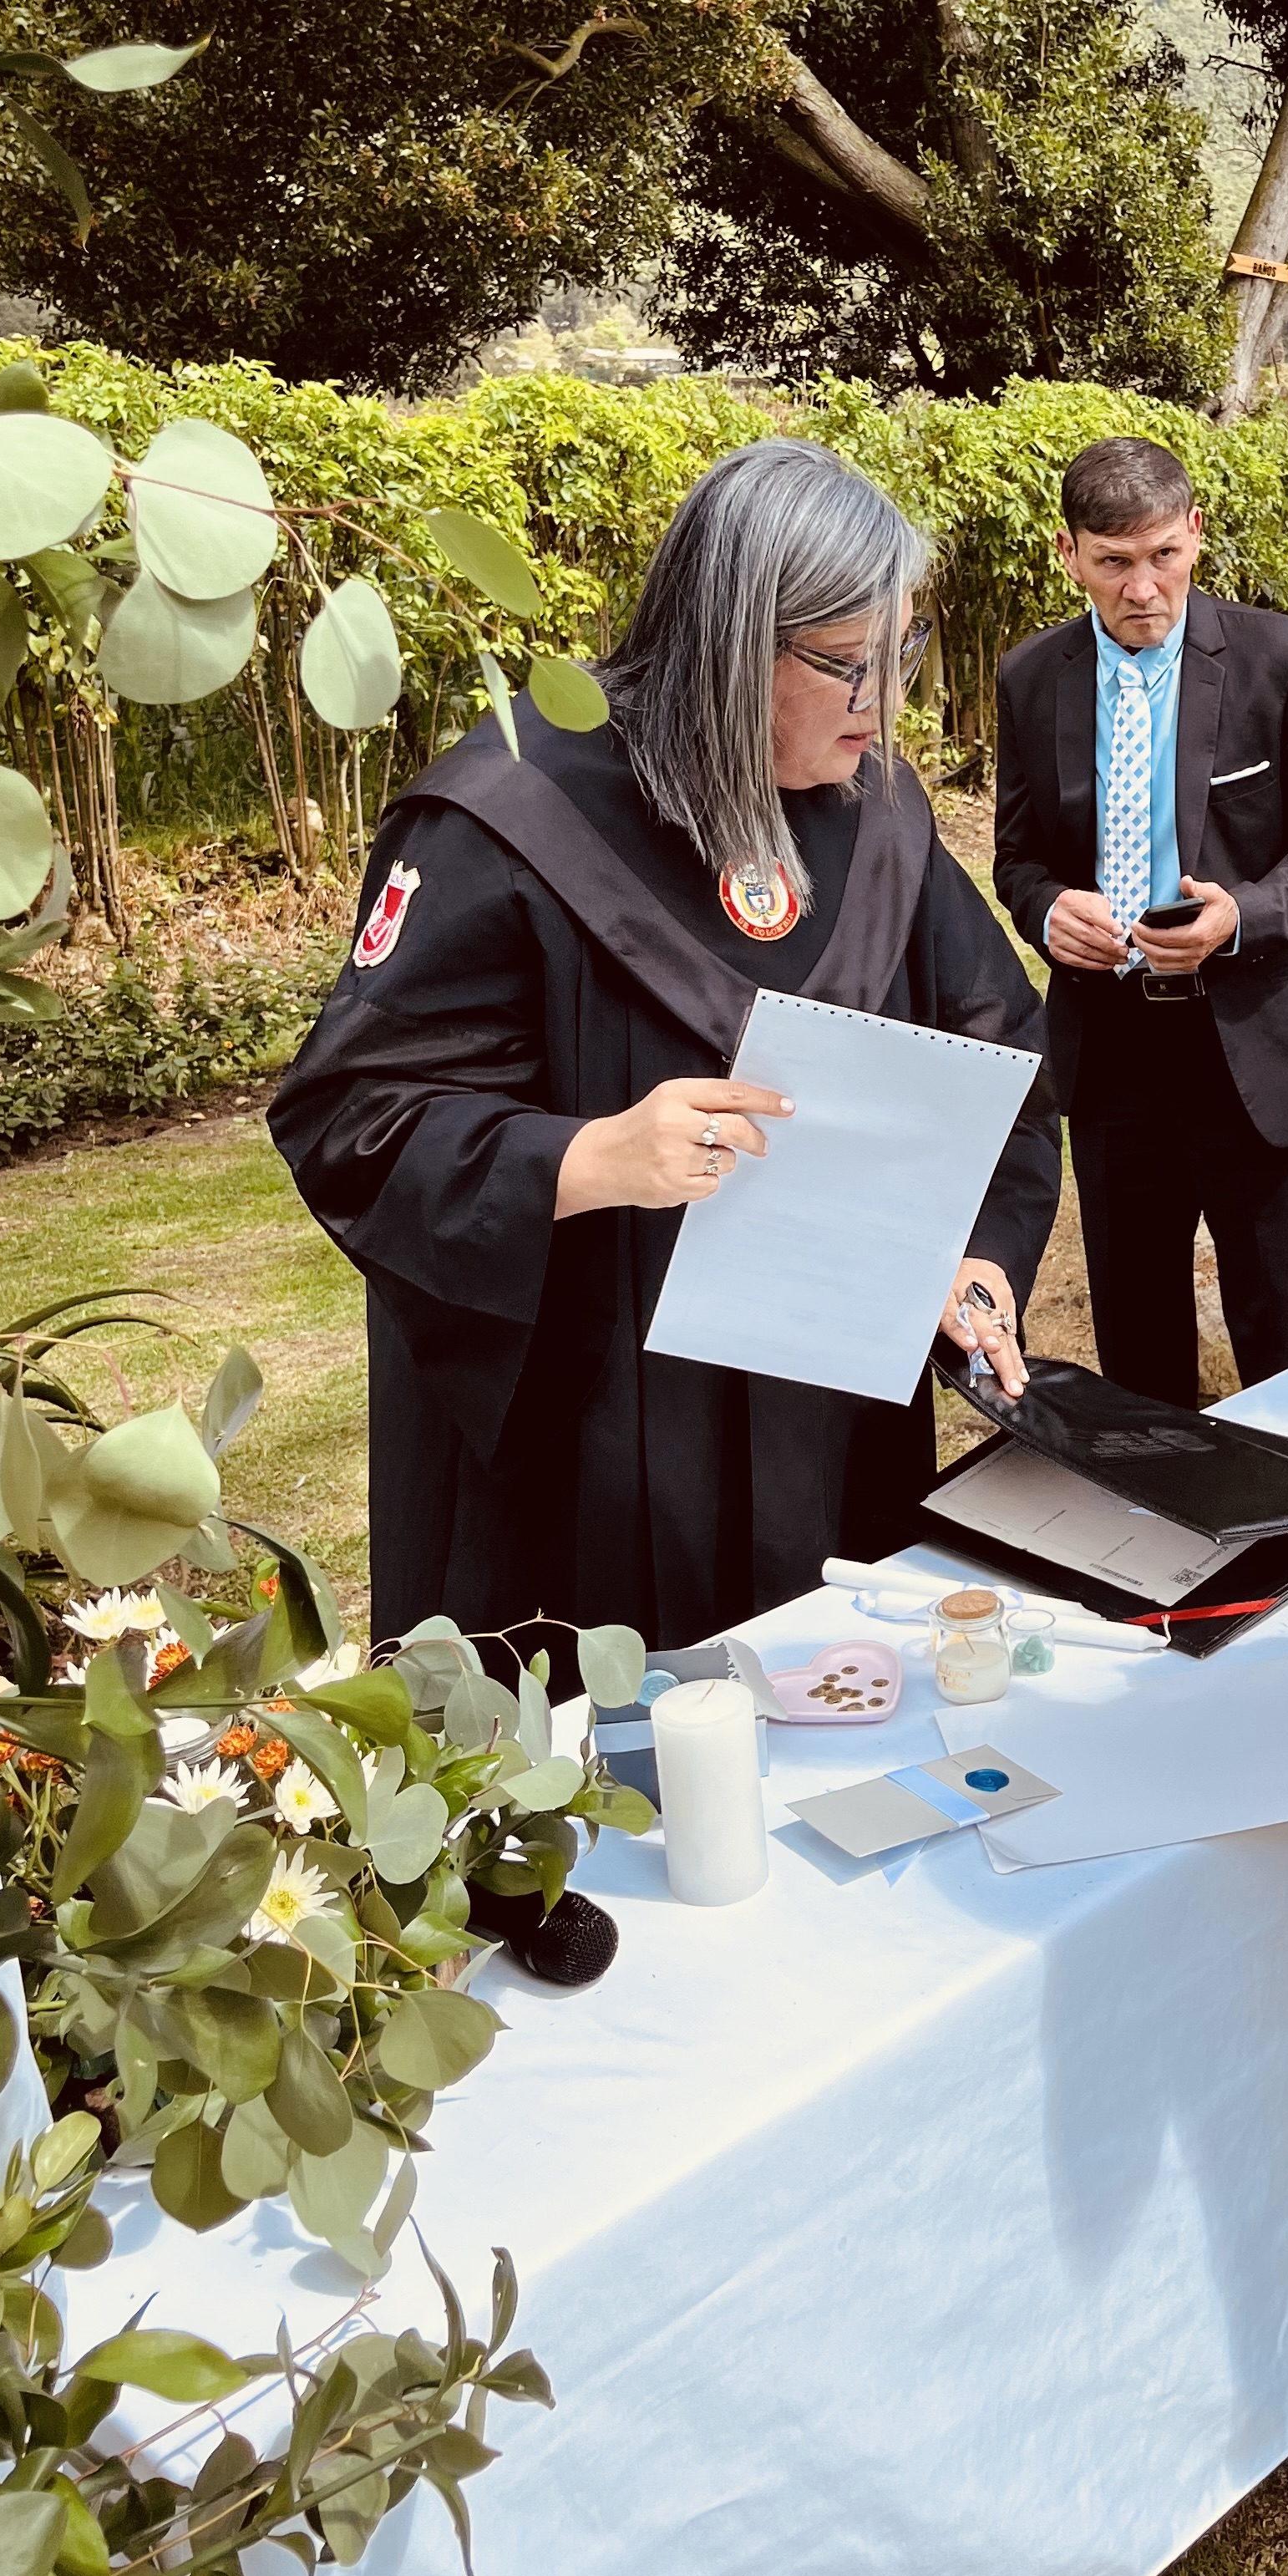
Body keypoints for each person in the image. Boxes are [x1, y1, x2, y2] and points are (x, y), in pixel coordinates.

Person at [273, 436, 1059, 1682]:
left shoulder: (879, 819)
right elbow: (350, 1117)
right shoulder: (511, 813)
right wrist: (587, 1155)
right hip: (589, 1439)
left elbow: (1003, 1057)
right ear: (735, 642)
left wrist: (979, 1258)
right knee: (607, 1797)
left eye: (897, 653)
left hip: (829, 1419)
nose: (884, 705)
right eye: (848, 666)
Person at [991, 434, 1288, 1405]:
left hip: (1259, 1056)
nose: (1143, 588)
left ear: (1195, 535)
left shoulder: (1284, 660)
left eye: (1163, 555)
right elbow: (1019, 858)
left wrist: (1237, 914)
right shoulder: (1030, 680)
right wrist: (1045, 913)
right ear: (1069, 553)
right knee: (1140, 1352)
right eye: (1114, 563)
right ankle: (1159, 1546)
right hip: (1114, 1057)